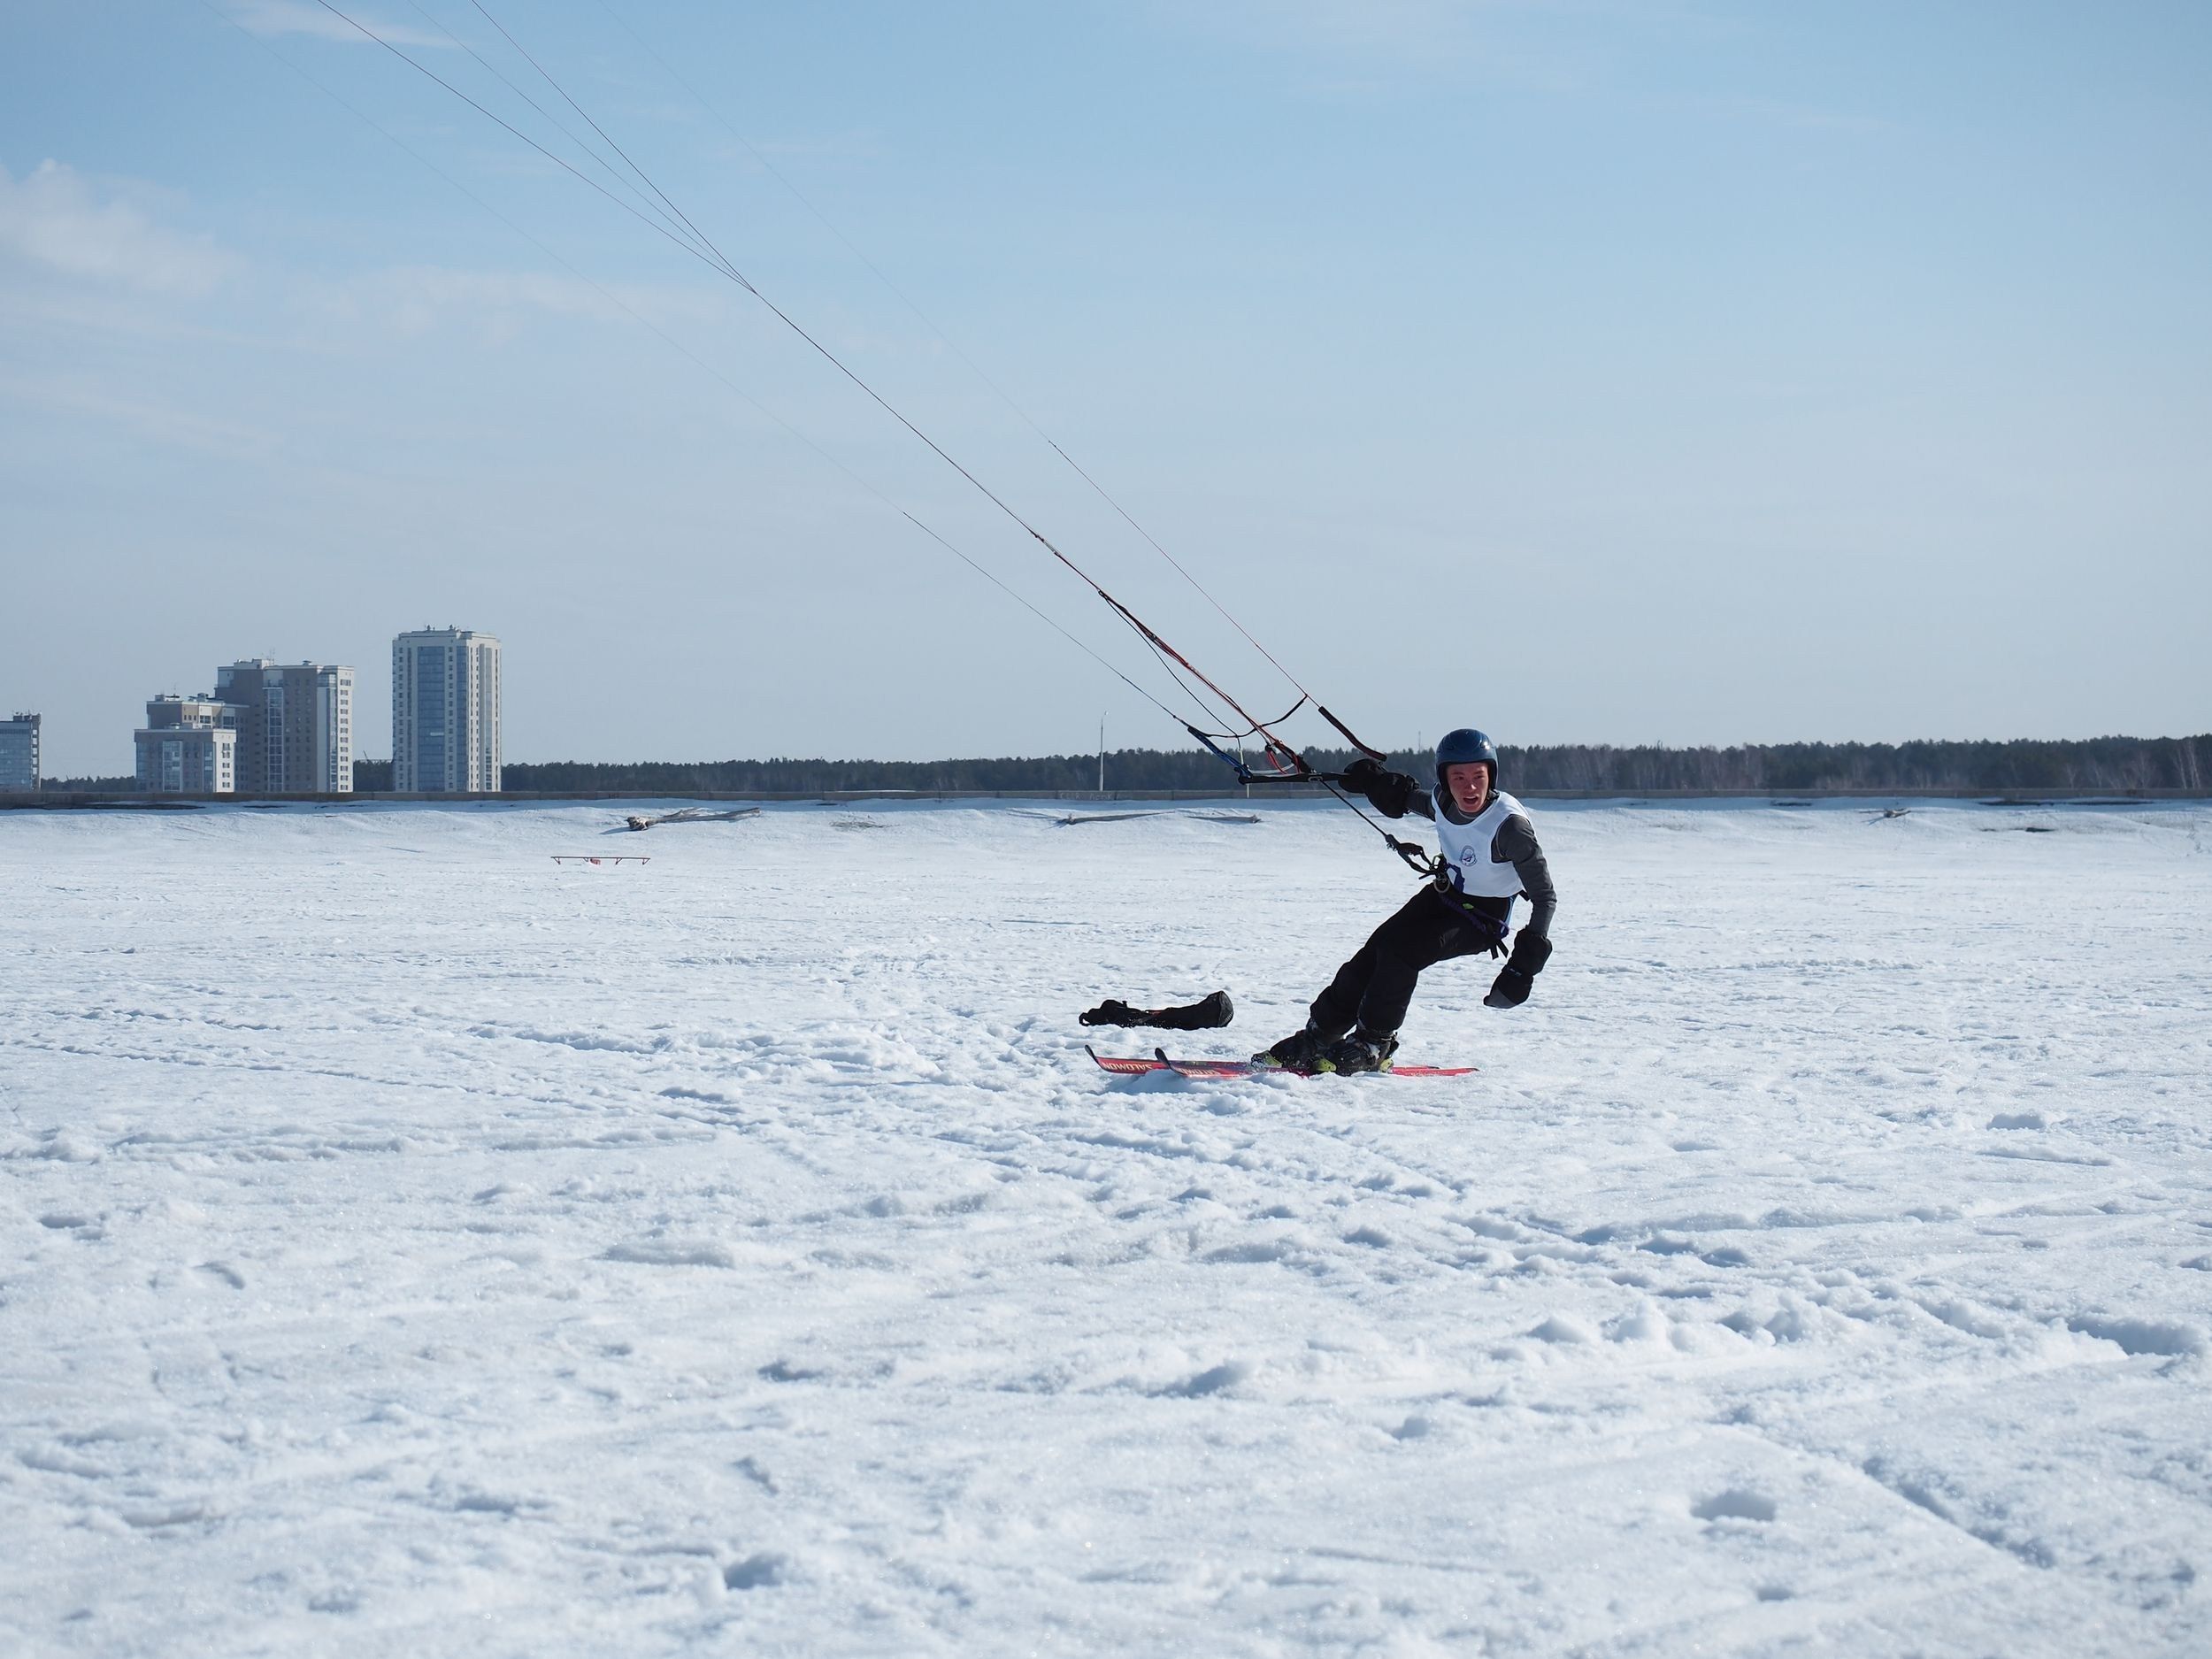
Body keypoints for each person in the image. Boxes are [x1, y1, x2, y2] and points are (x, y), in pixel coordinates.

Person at [1254, 728, 1556, 1073]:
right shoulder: (1443, 802)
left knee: (1402, 952)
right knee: (1375, 950)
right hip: (1445, 895)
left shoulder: (1510, 827)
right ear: (1445, 779)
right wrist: (1375, 783)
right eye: (1458, 777)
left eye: (1478, 776)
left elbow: (1545, 897)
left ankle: (1374, 1043)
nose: (1469, 787)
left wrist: (1523, 967)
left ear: (1492, 776)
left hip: (1483, 919)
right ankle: (1319, 1036)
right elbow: (1410, 799)